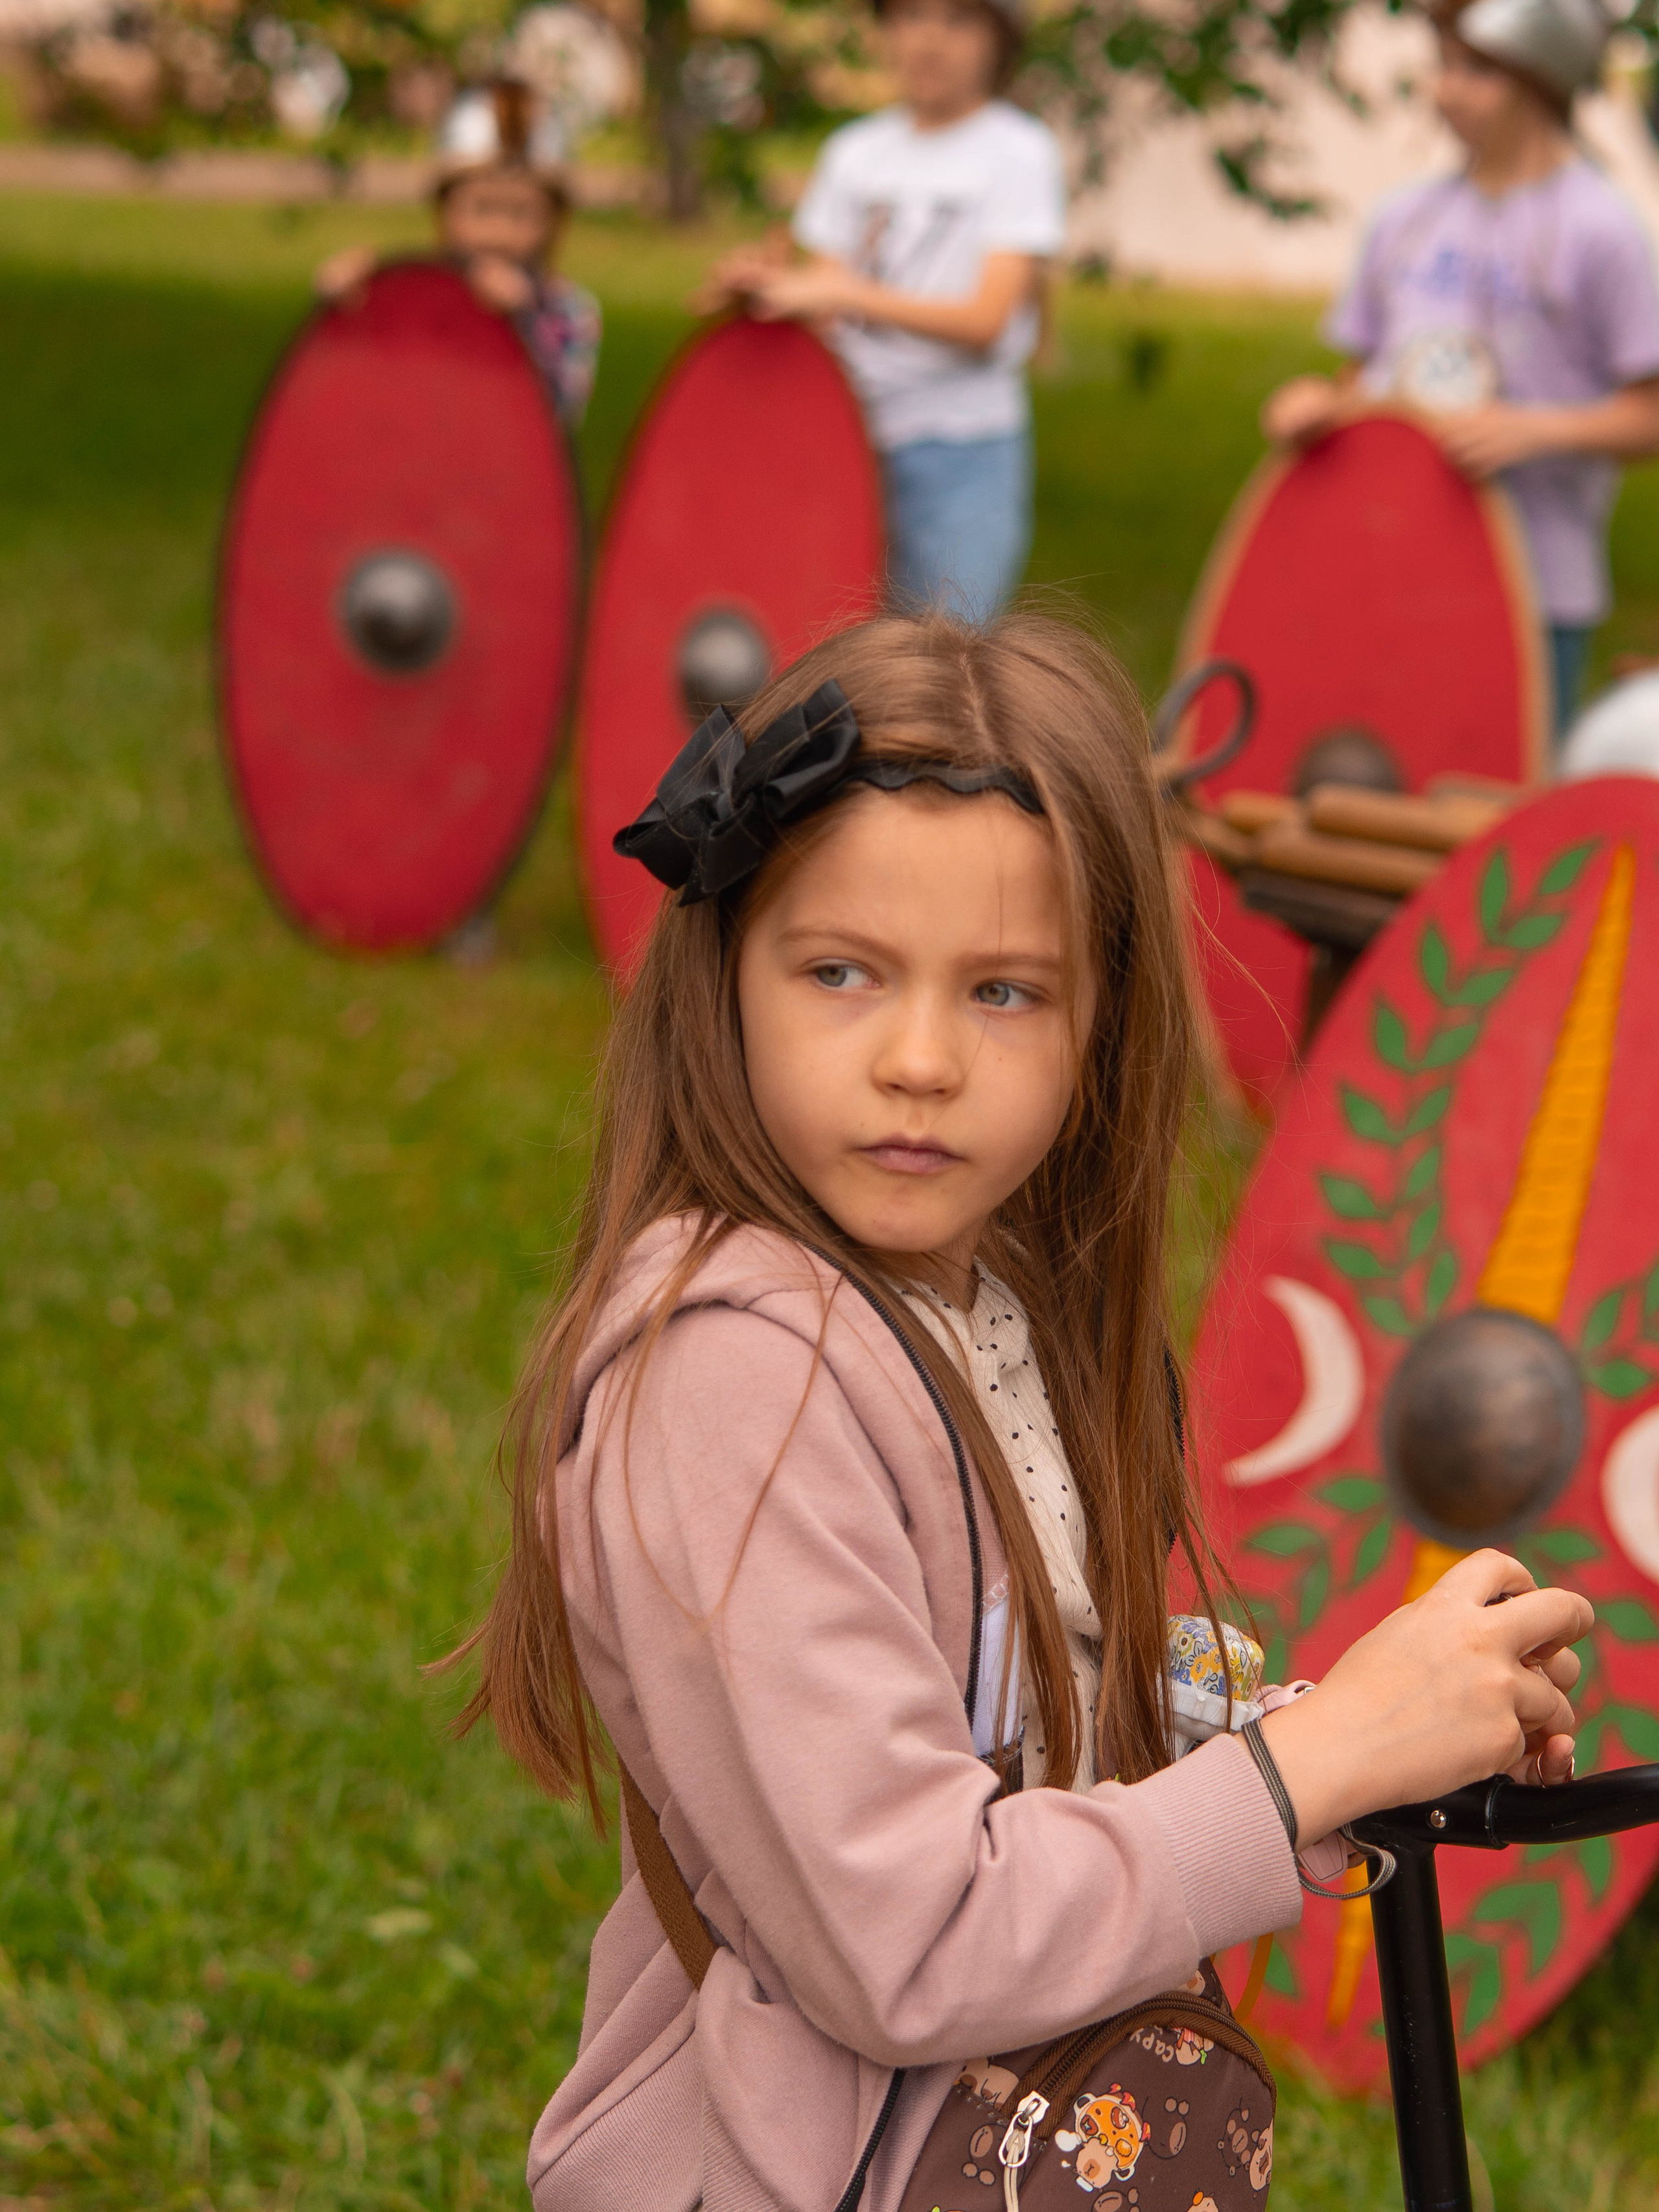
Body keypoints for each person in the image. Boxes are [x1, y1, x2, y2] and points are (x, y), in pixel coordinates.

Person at [450, 608, 1591, 2212]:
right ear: (722, 978)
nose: (918, 1058)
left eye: (1002, 991)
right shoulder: (731, 1376)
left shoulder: (975, 1303)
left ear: (1098, 1024)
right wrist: (1302, 1769)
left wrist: (1349, 1745)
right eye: (840, 970)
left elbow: (1016, 1764)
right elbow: (907, 1940)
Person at [1261, 0, 1659, 739]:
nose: (1446, 91)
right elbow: (1358, 379)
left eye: (1476, 71)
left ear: (1542, 78)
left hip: (1533, 585)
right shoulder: (1403, 218)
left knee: (1492, 804)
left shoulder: (1601, 228)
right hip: (1387, 568)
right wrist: (1318, 404)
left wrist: (1534, 431)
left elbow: (1649, 413)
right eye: (1442, 66)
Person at [709, 0, 1065, 622]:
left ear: (999, 39)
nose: (930, 39)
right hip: (848, 436)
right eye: (911, 16)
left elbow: (986, 323)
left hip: (961, 448)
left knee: (945, 662)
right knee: (838, 654)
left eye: (958, 20)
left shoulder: (1018, 152)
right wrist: (768, 291)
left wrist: (843, 292)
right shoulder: (855, 152)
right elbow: (821, 305)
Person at [315, 80, 600, 431]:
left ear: (553, 221)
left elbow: (555, 421)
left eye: (522, 214)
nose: (500, 232)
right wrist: (356, 306)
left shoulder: (569, 311)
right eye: (482, 209)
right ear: (446, 211)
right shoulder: (421, 300)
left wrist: (520, 324)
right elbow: (367, 396)